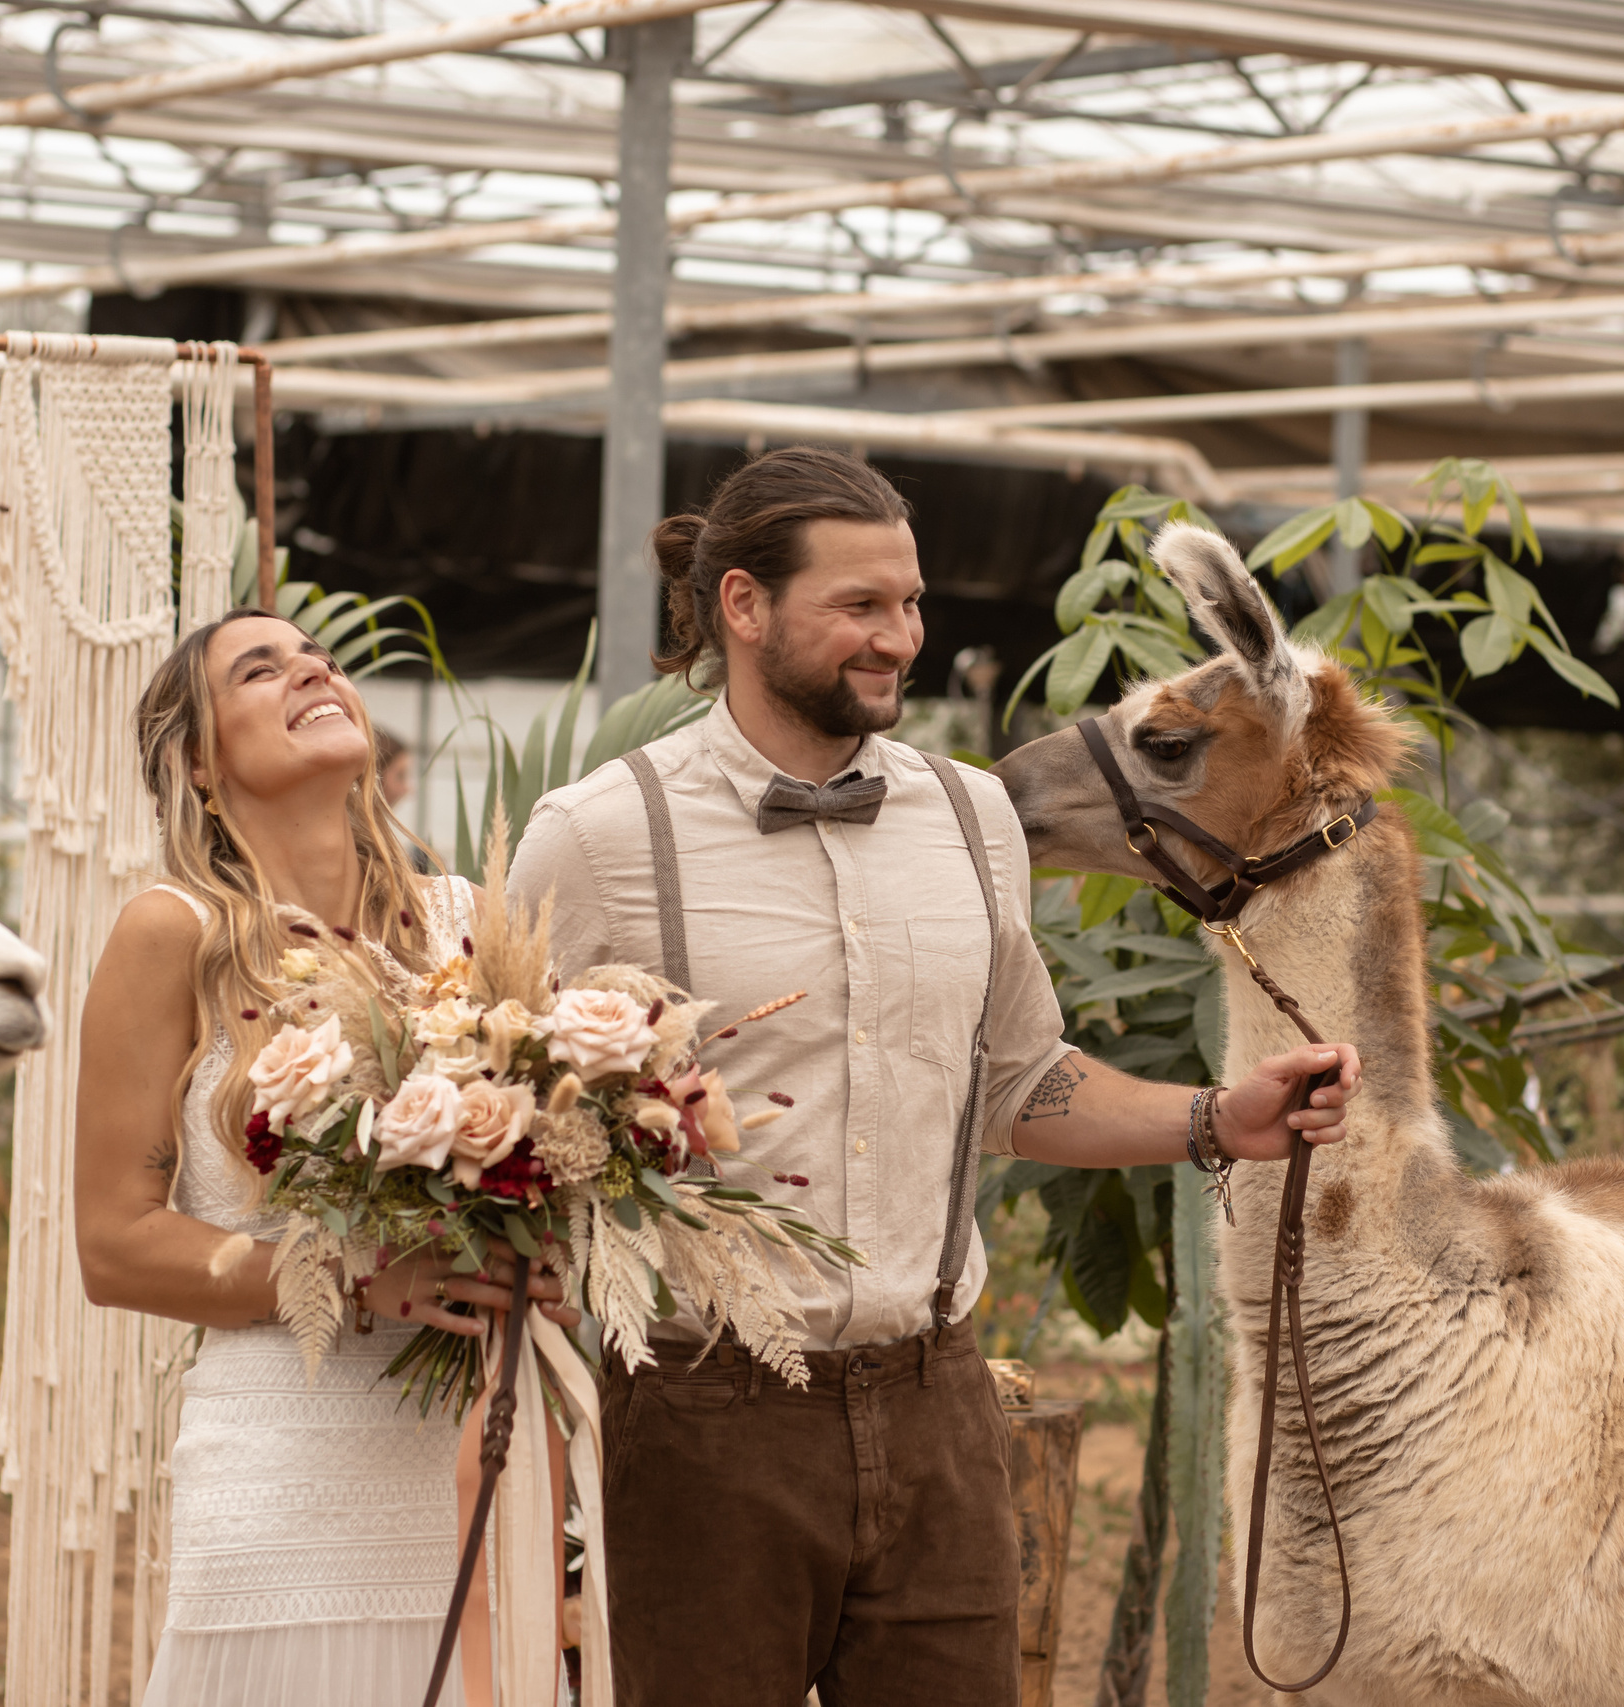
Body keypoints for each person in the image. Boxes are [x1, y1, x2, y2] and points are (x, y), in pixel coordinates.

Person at [505, 448, 1360, 1707]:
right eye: (859, 606)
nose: (898, 638)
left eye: (908, 604)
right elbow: (498, 1122)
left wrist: (1215, 1118)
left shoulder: (972, 818)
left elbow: (1021, 1083)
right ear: (742, 606)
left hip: (939, 1406)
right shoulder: (597, 836)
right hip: (699, 1416)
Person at [72, 608, 569, 1707]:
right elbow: (114, 1247)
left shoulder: (468, 923)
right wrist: (355, 1278)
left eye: (322, 659)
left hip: (478, 1454)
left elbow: (554, 1158)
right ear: (199, 763)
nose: (312, 671)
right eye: (262, 668)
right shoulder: (173, 933)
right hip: (282, 1469)